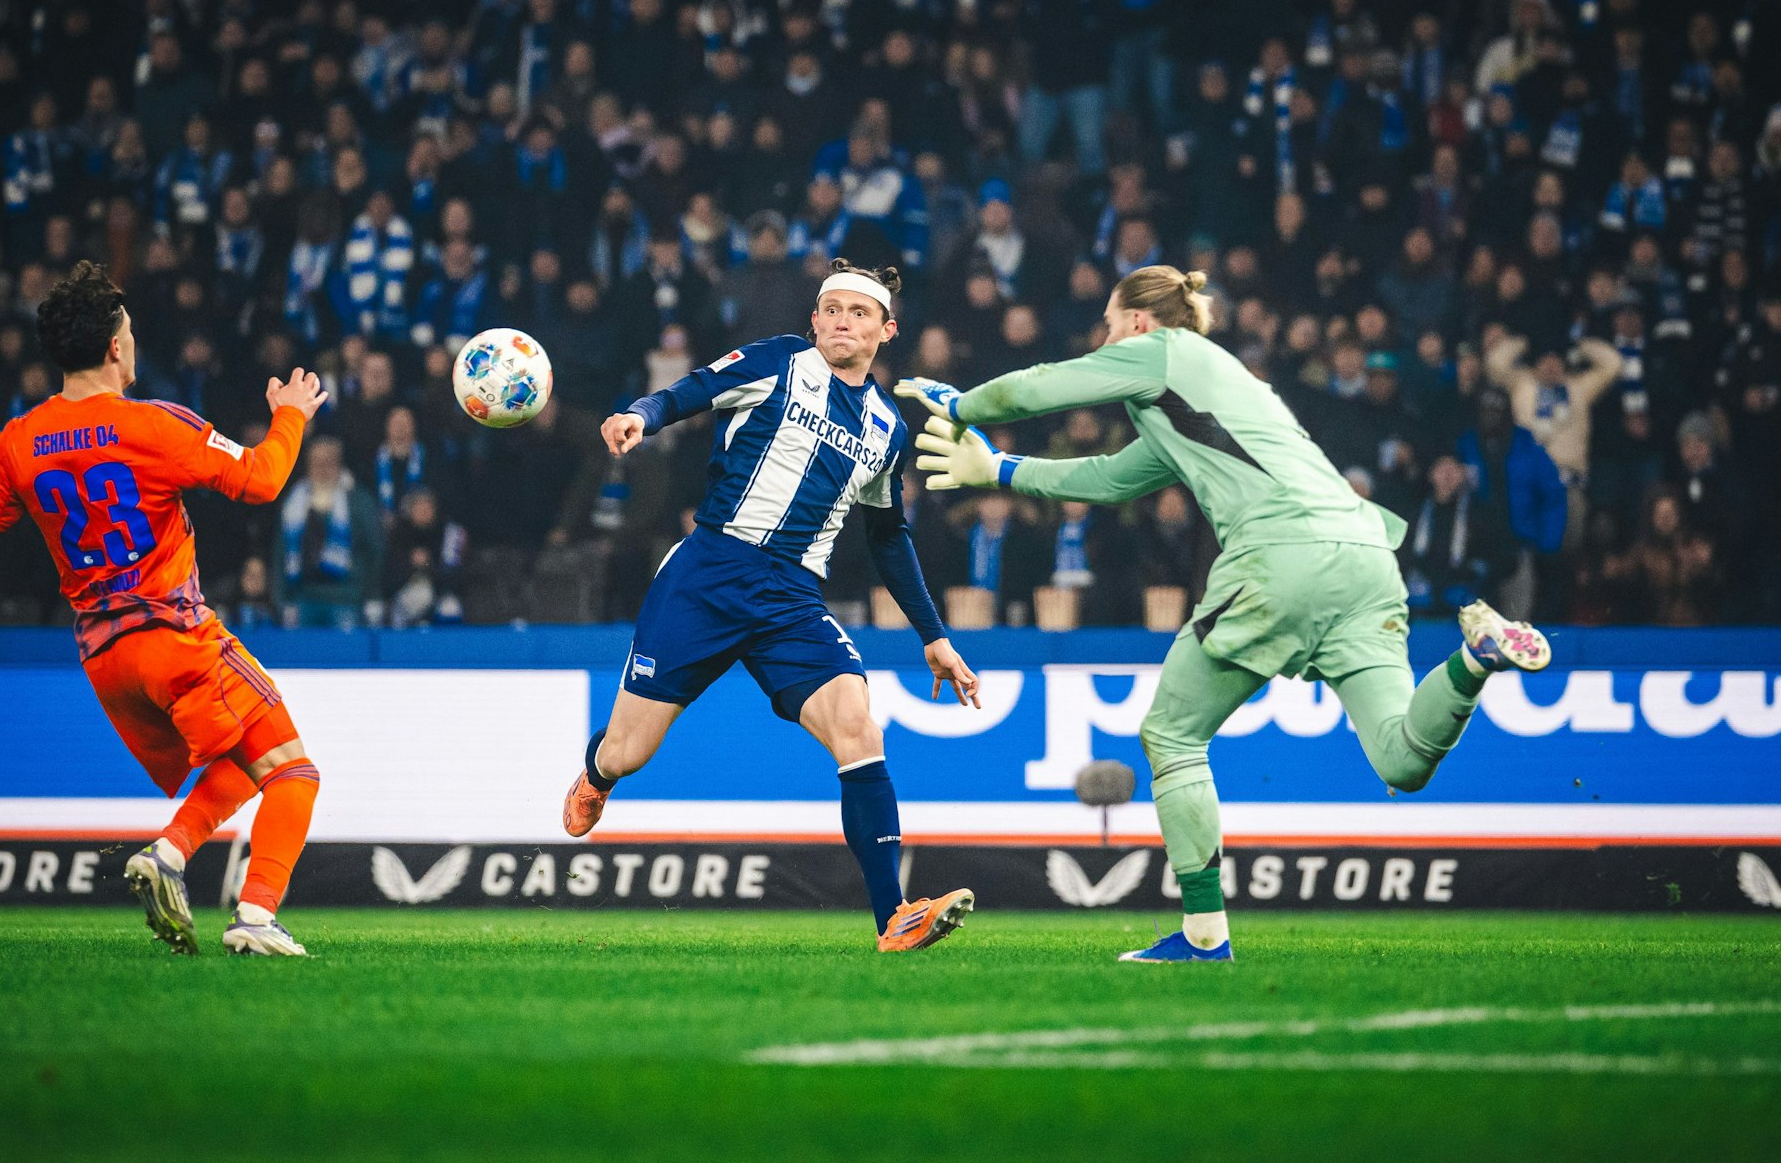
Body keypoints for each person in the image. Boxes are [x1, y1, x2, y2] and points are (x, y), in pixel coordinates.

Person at [897, 264, 1552, 963]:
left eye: (1112, 327)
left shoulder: (1161, 352)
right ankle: (1475, 656)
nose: (1108, 342)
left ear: (1140, 323)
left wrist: (962, 405)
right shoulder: (1213, 389)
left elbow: (1042, 386)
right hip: (1366, 557)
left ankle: (1205, 935)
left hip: (1283, 554)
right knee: (1402, 758)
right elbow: (1113, 477)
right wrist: (1000, 470)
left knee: (1172, 734)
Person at [0, 262, 326, 957]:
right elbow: (260, 478)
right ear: (114, 348)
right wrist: (291, 416)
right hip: (173, 635)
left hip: (104, 661)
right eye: (128, 331)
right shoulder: (154, 426)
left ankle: (171, 853)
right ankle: (252, 914)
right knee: (294, 770)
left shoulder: (18, 443)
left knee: (249, 762)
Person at [565, 259, 982, 953]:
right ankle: (596, 773)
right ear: (814, 320)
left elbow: (888, 535)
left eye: (859, 311)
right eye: (833, 309)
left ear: (887, 329)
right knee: (629, 749)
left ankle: (894, 917)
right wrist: (642, 415)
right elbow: (694, 390)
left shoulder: (886, 428)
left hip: (791, 595)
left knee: (859, 728)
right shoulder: (779, 363)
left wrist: (933, 635)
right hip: (709, 572)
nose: (843, 320)